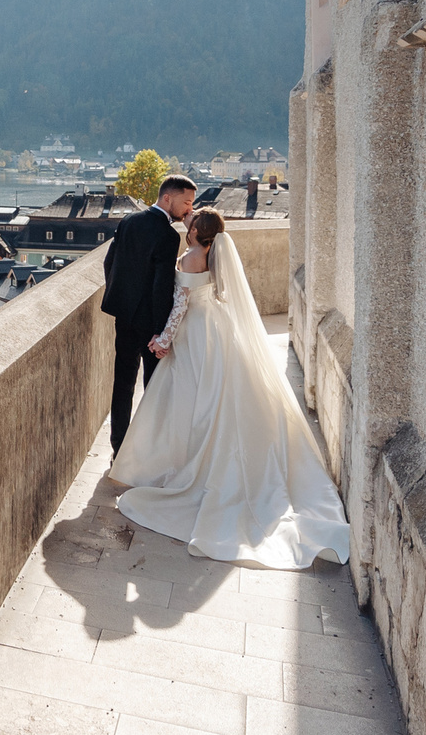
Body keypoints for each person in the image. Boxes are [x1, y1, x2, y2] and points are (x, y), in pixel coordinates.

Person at [109, 208, 351, 568]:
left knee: (191, 398)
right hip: (215, 329)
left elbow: (179, 306)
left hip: (193, 331)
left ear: (194, 233)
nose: (186, 221)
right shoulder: (216, 255)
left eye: (190, 221)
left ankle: (183, 465)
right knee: (216, 393)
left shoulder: (191, 258)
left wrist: (163, 340)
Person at [99, 175, 196, 452]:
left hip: (124, 317)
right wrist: (161, 331)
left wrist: (119, 300)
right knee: (154, 389)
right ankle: (147, 452)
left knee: (123, 385)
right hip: (150, 324)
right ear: (168, 198)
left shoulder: (129, 221)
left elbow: (110, 262)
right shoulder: (167, 235)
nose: (189, 208)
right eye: (186, 202)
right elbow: (161, 286)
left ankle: (118, 450)